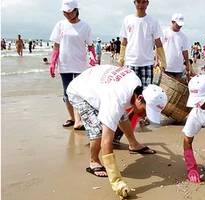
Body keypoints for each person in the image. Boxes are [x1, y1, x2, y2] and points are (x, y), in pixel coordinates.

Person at [66, 64, 168, 198]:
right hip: (79, 92)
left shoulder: (135, 85)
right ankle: (93, 160)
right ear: (139, 98)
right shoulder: (116, 99)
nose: (145, 115)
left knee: (121, 115)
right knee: (98, 131)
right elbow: (106, 142)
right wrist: (116, 181)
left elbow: (120, 109)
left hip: (97, 83)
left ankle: (133, 144)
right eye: (145, 110)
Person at [49, 0, 97, 130]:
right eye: (65, 12)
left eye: (70, 12)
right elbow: (56, 46)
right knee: (67, 93)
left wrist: (93, 58)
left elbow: (90, 45)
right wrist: (53, 63)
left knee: (79, 92)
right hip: (64, 63)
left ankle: (79, 120)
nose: (67, 15)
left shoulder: (85, 26)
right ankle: (72, 117)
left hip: (80, 63)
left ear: (76, 10)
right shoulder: (60, 25)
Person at [118, 0, 167, 126]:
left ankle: (143, 118)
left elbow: (158, 43)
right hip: (131, 62)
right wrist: (121, 57)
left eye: (143, 2)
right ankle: (129, 122)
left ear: (147, 3)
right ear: (134, 3)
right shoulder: (127, 19)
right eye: (138, 2)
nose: (141, 5)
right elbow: (124, 41)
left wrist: (162, 60)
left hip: (147, 63)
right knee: (131, 94)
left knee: (146, 94)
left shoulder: (152, 21)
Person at [160, 13, 191, 79]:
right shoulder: (164, 32)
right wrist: (157, 61)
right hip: (166, 65)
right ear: (173, 22)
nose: (180, 26)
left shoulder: (183, 36)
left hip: (178, 67)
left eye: (181, 25)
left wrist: (188, 65)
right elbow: (159, 48)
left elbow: (185, 51)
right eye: (178, 24)